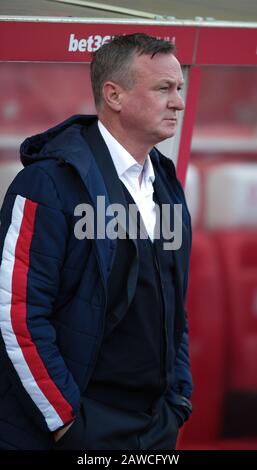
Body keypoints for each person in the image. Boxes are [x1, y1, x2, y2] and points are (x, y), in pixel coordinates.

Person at [0, 33, 192, 450]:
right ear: (114, 95)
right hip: (77, 428)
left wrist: (178, 400)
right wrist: (65, 425)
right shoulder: (45, 184)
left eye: (179, 88)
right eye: (163, 88)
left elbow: (174, 302)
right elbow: (15, 317)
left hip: (155, 425)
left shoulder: (167, 184)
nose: (178, 101)